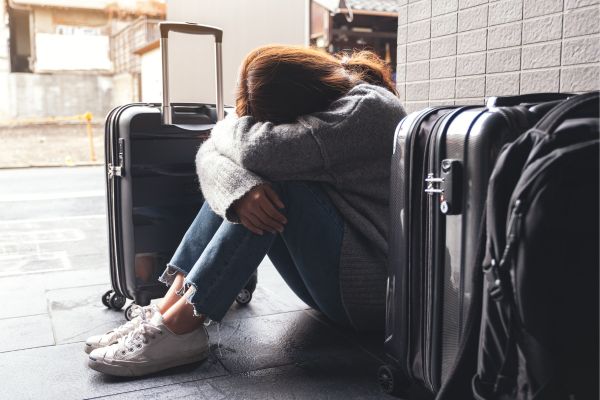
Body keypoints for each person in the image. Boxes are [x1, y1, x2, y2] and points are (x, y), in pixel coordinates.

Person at [85, 45, 406, 377]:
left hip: (368, 295)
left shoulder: (367, 111)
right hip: (334, 284)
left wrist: (224, 130)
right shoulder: (327, 97)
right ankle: (164, 316)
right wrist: (237, 187)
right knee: (240, 187)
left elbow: (257, 150)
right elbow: (210, 156)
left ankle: (183, 326)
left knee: (270, 184)